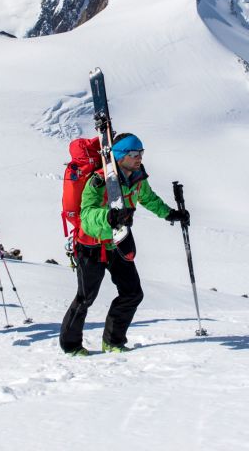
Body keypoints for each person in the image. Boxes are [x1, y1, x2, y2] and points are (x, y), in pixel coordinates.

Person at [59, 133, 190, 355]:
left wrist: (170, 214)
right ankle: (71, 345)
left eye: (141, 153)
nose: (139, 158)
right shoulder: (99, 180)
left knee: (132, 292)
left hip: (117, 242)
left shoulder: (137, 176)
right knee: (85, 298)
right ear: (120, 157)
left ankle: (112, 341)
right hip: (91, 245)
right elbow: (87, 214)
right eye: (133, 154)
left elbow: (147, 198)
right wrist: (109, 217)